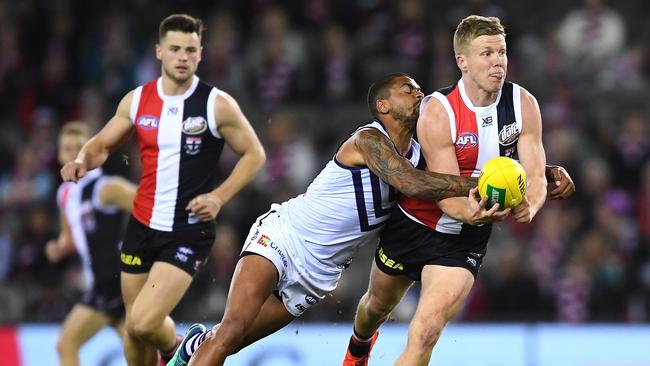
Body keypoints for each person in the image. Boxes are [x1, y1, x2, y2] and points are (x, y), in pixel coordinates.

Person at [168, 72, 508, 366]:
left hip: (318, 276)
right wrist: (481, 184)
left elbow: (444, 176)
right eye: (408, 89)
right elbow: (411, 183)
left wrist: (535, 176)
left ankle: (194, 345)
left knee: (230, 341)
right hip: (284, 238)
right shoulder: (368, 139)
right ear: (383, 106)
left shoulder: (420, 154)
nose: (419, 93)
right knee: (230, 332)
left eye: (419, 88)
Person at [342, 15, 575, 366]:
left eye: (502, 52)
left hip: (463, 241)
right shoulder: (439, 110)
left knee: (425, 332)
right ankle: (359, 347)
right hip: (415, 221)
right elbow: (446, 192)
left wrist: (532, 204)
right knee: (375, 307)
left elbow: (535, 173)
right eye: (486, 53)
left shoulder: (524, 104)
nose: (498, 61)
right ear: (462, 61)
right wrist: (475, 211)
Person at [60, 14, 266, 366]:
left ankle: (181, 346)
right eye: (174, 49)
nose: (182, 56)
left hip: (187, 230)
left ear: (200, 54)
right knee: (134, 333)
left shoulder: (216, 104)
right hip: (141, 226)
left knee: (142, 321)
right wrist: (82, 159)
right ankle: (175, 349)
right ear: (159, 51)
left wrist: (219, 196)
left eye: (190, 49)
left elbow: (254, 154)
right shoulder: (137, 101)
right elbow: (103, 144)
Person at [46, 122, 136, 366]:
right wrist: (59, 247)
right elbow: (72, 238)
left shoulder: (105, 187)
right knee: (138, 352)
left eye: (80, 147)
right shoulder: (64, 193)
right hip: (101, 281)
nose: (74, 153)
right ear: (60, 155)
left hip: (116, 280)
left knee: (66, 344)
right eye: (68, 149)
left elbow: (149, 207)